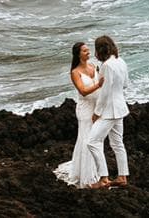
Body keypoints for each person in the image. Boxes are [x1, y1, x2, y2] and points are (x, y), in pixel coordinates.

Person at [53, 41, 106, 188]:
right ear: (78, 54)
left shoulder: (92, 66)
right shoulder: (75, 72)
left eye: (88, 50)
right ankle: (87, 175)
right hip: (85, 109)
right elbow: (82, 91)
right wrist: (98, 85)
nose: (88, 53)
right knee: (87, 139)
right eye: (84, 51)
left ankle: (97, 170)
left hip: (96, 108)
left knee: (96, 138)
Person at [85, 34, 130, 187]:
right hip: (121, 108)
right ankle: (122, 177)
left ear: (100, 50)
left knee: (92, 142)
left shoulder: (107, 66)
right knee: (118, 143)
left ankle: (104, 178)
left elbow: (104, 92)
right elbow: (125, 84)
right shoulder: (120, 61)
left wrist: (97, 112)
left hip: (109, 111)